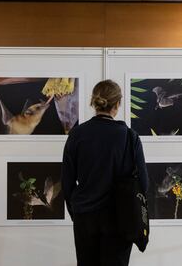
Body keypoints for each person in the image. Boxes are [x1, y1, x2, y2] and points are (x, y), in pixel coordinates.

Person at [61, 79, 148, 266]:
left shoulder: (77, 135)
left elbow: (67, 183)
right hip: (120, 217)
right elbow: (144, 183)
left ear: (94, 102)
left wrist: (76, 212)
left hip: (85, 216)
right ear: (117, 104)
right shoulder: (129, 137)